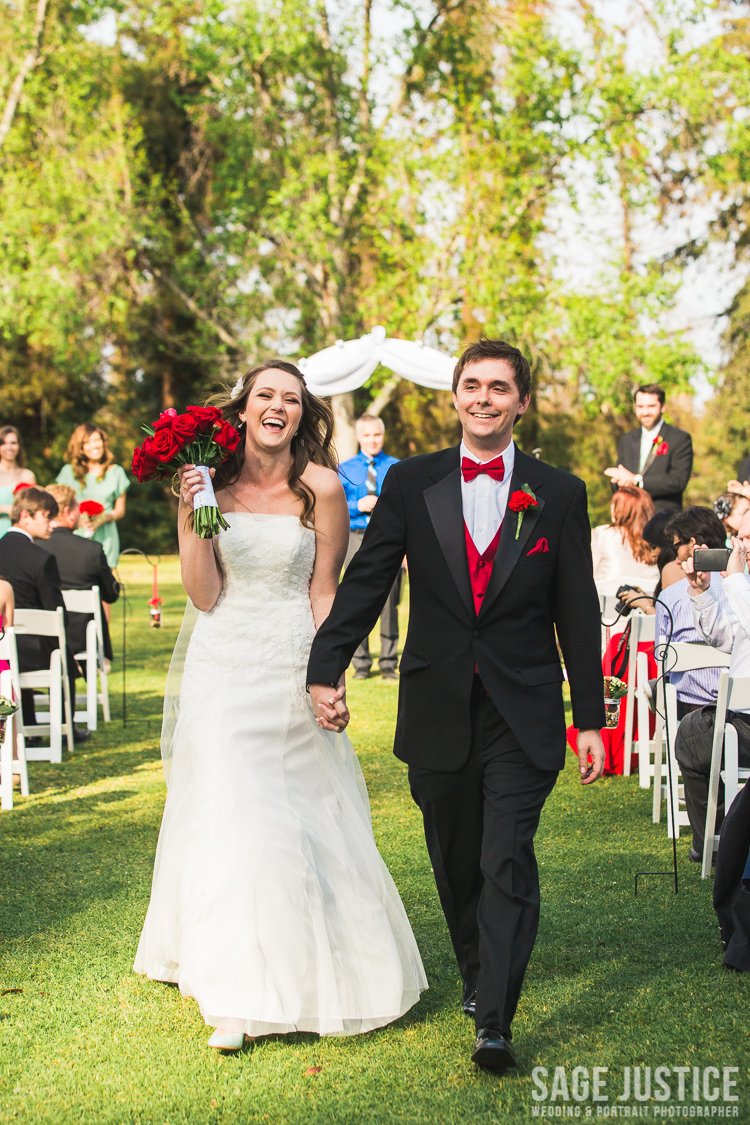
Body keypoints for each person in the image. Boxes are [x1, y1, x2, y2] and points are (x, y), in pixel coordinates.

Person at [307, 338, 606, 1073]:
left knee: (506, 855)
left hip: (523, 705)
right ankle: (478, 970)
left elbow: (578, 607)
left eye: (499, 387)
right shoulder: (413, 481)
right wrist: (326, 666)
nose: (483, 398)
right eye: (471, 385)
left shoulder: (558, 492)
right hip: (437, 701)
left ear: (521, 401)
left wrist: (592, 717)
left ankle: (495, 1020)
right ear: (454, 397)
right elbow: (369, 577)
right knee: (455, 858)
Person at [134, 361, 426, 1051]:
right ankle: (236, 997)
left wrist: (332, 674)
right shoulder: (208, 482)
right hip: (225, 664)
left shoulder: (321, 487)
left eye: (291, 399)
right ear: (242, 410)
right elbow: (203, 594)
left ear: (304, 415)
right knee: (239, 813)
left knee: (302, 811)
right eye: (266, 394)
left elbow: (325, 590)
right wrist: (196, 509)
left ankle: (323, 954)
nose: (278, 406)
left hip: (293, 659)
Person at [675, 512, 750, 863]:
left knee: (691, 733)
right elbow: (727, 638)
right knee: (696, 731)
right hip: (740, 718)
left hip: (745, 724)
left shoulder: (741, 586)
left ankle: (714, 842)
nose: (740, 546)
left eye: (746, 539)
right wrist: (702, 591)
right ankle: (717, 838)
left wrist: (735, 581)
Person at [0, 488, 74, 734]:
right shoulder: (42, 559)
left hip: (3, 653)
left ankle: (27, 728)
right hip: (33, 654)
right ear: (25, 516)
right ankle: (67, 728)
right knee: (63, 649)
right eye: (47, 516)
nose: (53, 524)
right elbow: (56, 613)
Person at [338, 414, 402, 679]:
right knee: (355, 599)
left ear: (383, 435)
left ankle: (388, 663)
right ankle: (361, 663)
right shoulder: (344, 469)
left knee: (389, 600)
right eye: (367, 435)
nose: (372, 440)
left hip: (388, 537)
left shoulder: (398, 467)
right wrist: (357, 506)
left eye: (377, 434)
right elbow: (334, 508)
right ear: (358, 437)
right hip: (355, 536)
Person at [655, 507, 729, 722]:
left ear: (693, 544)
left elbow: (661, 659)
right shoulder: (743, 588)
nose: (676, 558)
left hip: (691, 715)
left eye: (676, 546)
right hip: (743, 709)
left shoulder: (670, 597)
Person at [41, 484, 120, 664]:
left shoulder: (32, 548)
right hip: (83, 640)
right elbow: (112, 594)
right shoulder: (91, 550)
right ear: (68, 511)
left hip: (42, 639)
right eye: (78, 508)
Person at [604, 384, 693, 513]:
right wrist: (618, 481)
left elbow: (677, 481)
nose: (645, 412)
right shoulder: (627, 440)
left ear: (663, 407)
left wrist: (637, 481)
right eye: (640, 407)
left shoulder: (679, 438)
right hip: (630, 516)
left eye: (651, 406)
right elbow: (621, 475)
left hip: (663, 518)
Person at [56, 424, 130, 569]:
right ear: (80, 447)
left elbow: (120, 510)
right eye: (87, 442)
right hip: (74, 534)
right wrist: (79, 521)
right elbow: (58, 505)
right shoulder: (68, 472)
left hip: (105, 534)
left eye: (97, 440)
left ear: (103, 442)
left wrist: (103, 519)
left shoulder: (116, 472)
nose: (94, 445)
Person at [591, 486, 659, 585]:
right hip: (647, 598)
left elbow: (589, 573)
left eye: (615, 504)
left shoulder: (603, 534)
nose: (611, 507)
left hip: (608, 597)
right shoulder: (656, 538)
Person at [0, 427, 36, 540]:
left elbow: (35, 508)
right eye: (4, 443)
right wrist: (4, 509)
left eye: (13, 443)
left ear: (19, 446)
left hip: (21, 535)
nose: (9, 447)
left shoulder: (28, 475)